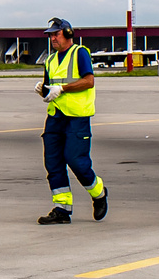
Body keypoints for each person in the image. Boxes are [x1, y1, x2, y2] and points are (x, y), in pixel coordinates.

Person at [36, 16, 107, 224]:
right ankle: (62, 209)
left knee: (76, 161)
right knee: (53, 162)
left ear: (67, 34)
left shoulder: (79, 53)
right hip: (55, 117)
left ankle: (99, 193)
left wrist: (63, 88)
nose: (52, 39)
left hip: (77, 117)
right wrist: (43, 91)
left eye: (56, 34)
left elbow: (89, 80)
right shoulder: (50, 61)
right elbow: (51, 90)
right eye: (50, 36)